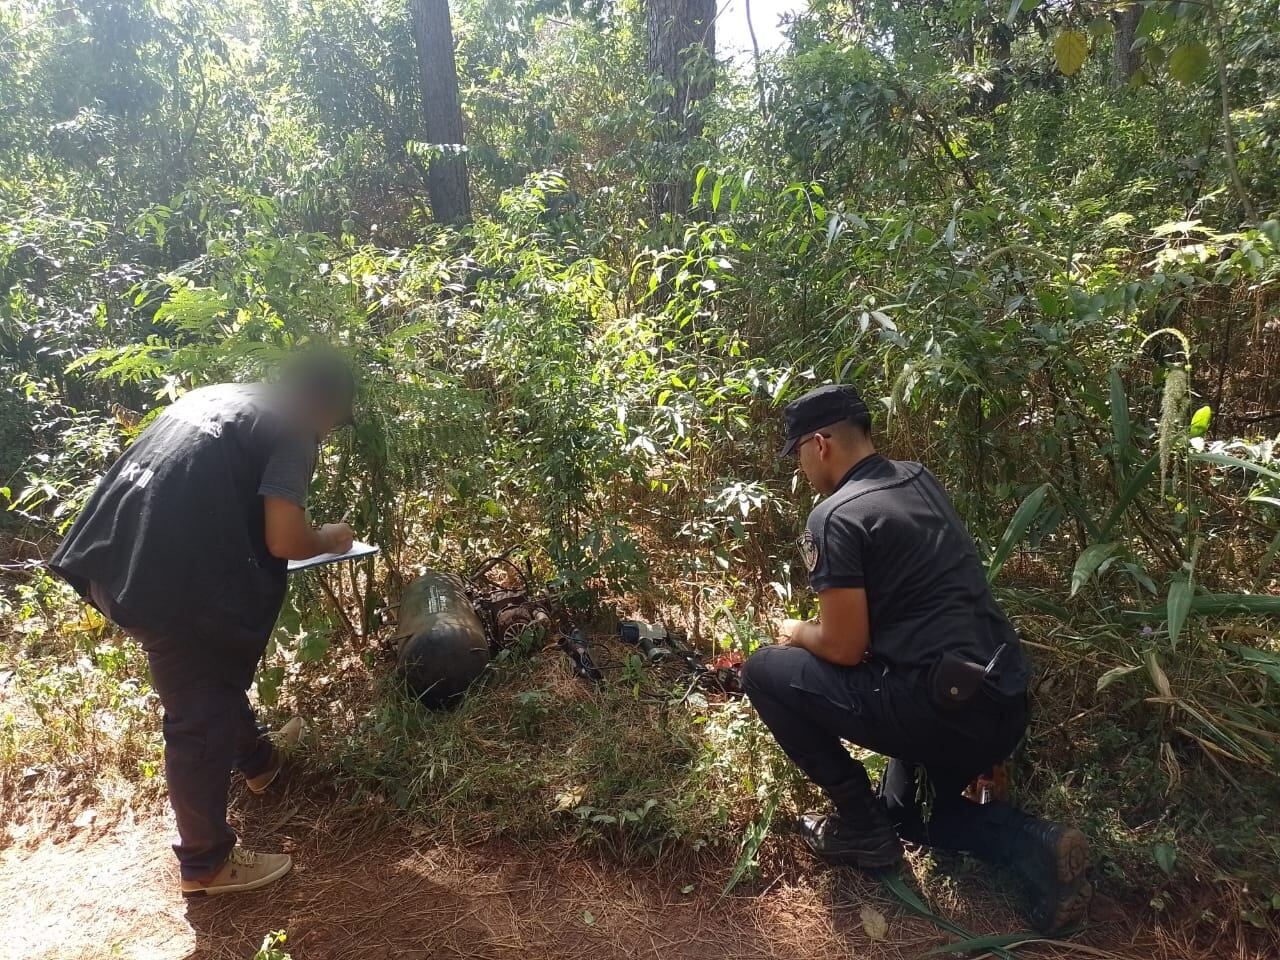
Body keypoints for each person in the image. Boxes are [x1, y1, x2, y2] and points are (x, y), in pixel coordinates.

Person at [740, 383, 1090, 934]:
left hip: (936, 710)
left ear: (821, 444)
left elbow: (842, 647)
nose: (801, 466)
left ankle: (859, 824)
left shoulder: (834, 517)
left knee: (762, 670)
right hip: (1002, 697)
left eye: (799, 453)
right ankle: (1038, 845)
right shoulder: (918, 478)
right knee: (911, 813)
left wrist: (795, 630)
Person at [49, 349, 358, 897]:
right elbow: (285, 540)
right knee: (198, 712)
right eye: (335, 423)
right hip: (166, 580)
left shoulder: (218, 397)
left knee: (209, 673)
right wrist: (332, 537)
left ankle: (260, 763)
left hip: (109, 554)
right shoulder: (294, 428)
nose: (328, 435)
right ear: (324, 403)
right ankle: (206, 863)